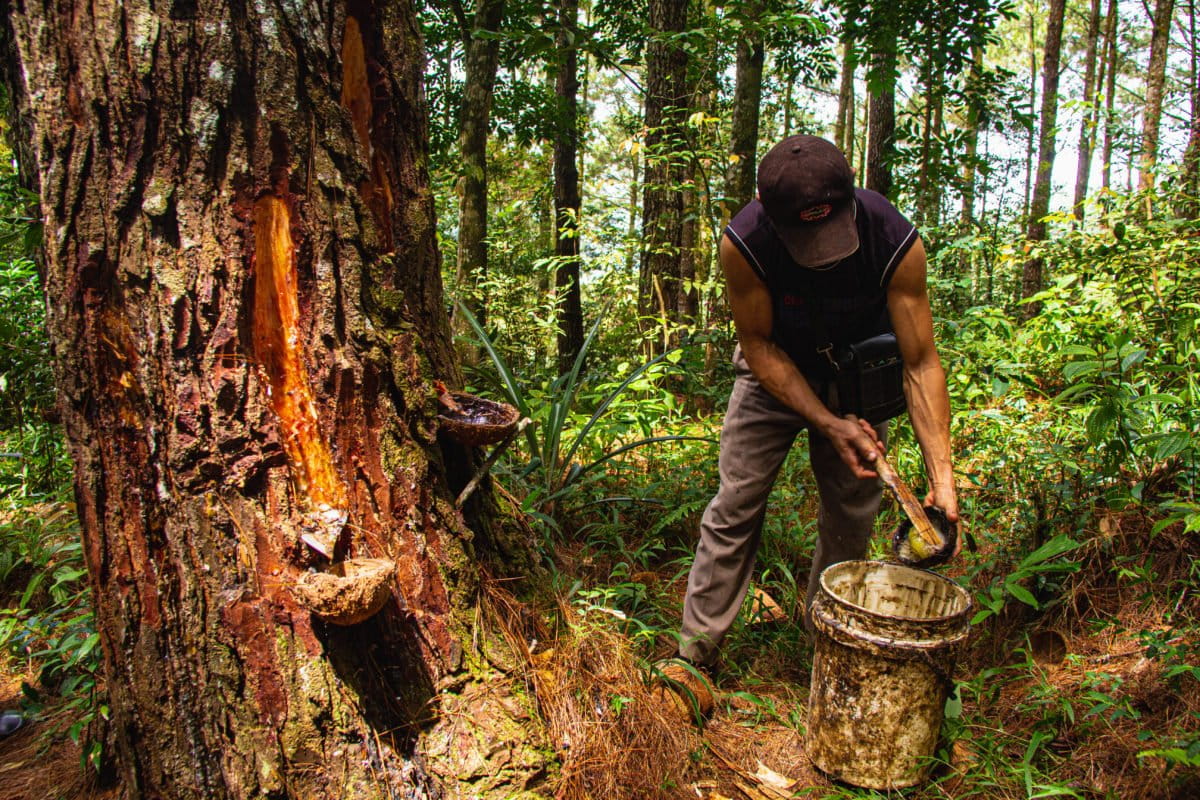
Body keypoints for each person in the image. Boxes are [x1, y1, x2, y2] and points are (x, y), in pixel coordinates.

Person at [677, 135, 959, 670]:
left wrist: (942, 481)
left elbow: (921, 363)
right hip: (773, 371)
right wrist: (828, 423)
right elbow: (758, 346)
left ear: (851, 198)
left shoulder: (892, 238)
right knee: (736, 503)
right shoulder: (745, 243)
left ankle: (825, 652)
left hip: (858, 377)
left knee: (852, 513)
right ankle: (693, 658)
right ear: (769, 214)